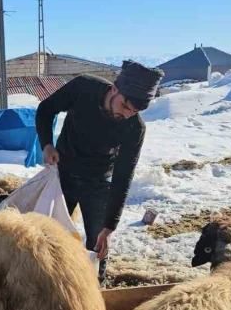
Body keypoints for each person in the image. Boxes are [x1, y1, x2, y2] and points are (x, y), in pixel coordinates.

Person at [35, 61, 164, 282]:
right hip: (63, 174)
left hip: (98, 183)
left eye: (135, 111)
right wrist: (47, 144)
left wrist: (109, 227)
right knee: (50, 237)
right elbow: (46, 109)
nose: (127, 115)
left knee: (97, 246)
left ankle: (95, 289)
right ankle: (49, 285)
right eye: (125, 106)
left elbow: (123, 177)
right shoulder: (83, 87)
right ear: (114, 89)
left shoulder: (134, 128)